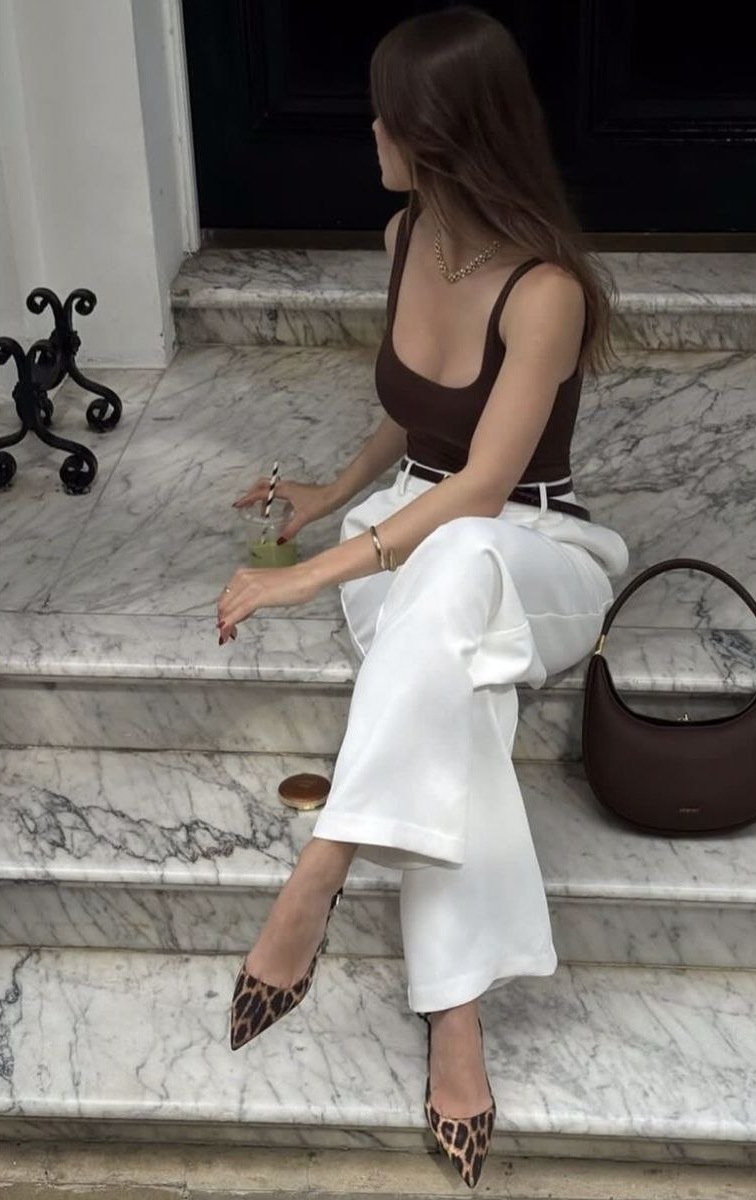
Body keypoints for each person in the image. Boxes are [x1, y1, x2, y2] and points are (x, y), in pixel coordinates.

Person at [218, 6, 629, 1189]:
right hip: (410, 541)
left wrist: (302, 576)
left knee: (456, 566)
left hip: (532, 549)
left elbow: (485, 485)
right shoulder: (406, 236)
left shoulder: (546, 288)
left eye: (387, 117)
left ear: (438, 133)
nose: (372, 133)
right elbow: (415, 411)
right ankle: (456, 1017)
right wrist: (328, 493)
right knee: (461, 701)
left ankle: (320, 871)